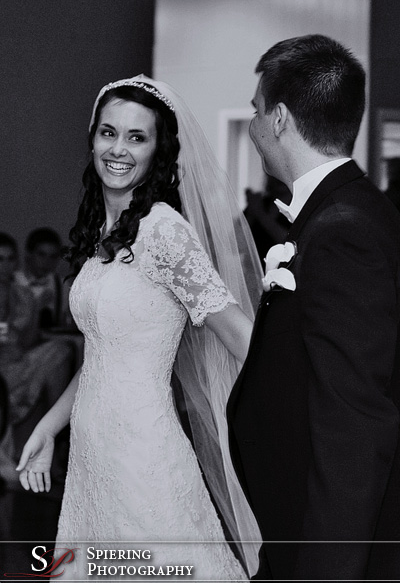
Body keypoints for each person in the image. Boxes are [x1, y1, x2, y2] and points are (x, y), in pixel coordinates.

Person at [17, 75, 263, 579]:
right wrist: (48, 427)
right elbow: (103, 358)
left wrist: (306, 399)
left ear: (158, 150)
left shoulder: (164, 232)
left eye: (137, 137)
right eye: (109, 133)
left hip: (141, 454)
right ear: (92, 138)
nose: (119, 149)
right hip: (92, 454)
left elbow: (241, 335)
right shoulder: (103, 232)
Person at [227, 34, 400, 581]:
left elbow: (353, 427)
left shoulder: (343, 230)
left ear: (279, 118)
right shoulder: (348, 212)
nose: (255, 125)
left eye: (257, 110)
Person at [0, 232, 73, 487]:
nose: (5, 265)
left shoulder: (22, 294)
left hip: (15, 363)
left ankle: (59, 432)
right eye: (0, 259)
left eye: (10, 259)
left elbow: (28, 341)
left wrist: (31, 310)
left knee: (61, 351)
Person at [15, 227, 71, 329]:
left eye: (53, 256)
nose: (47, 262)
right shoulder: (14, 281)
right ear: (28, 254)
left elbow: (64, 322)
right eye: (41, 255)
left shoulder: (61, 284)